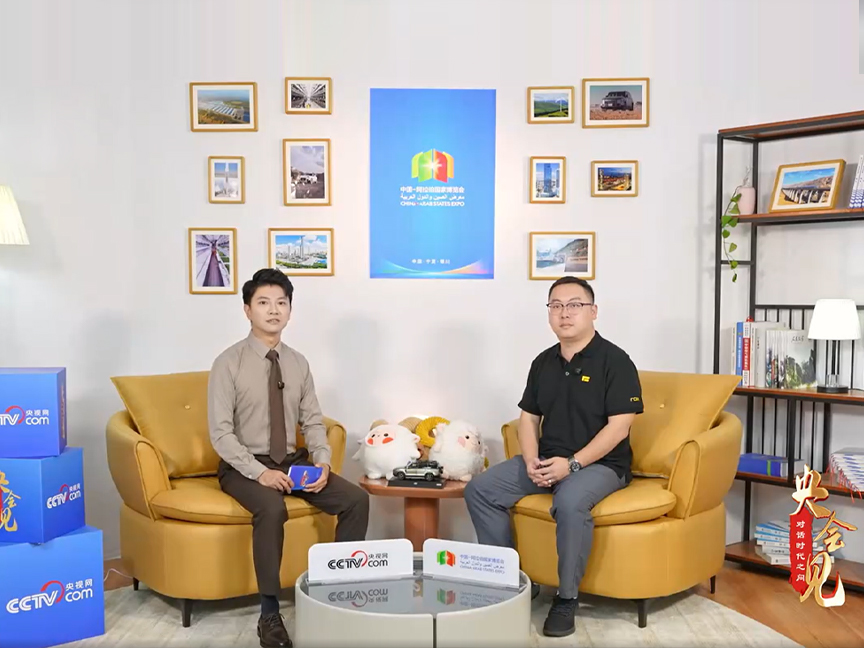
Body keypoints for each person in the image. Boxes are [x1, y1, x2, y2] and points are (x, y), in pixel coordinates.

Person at [464, 277, 643, 638]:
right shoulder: (543, 362)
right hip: (547, 460)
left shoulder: (616, 361)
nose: (565, 313)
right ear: (549, 314)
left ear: (593, 311)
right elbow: (529, 418)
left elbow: (619, 428)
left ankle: (566, 598)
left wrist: (572, 464)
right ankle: (510, 583)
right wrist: (531, 460)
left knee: (570, 500)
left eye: (575, 305)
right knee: (480, 490)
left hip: (600, 465)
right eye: (556, 306)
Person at [208, 268, 369, 648]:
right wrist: (259, 473)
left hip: (290, 461)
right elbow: (221, 434)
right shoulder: (227, 363)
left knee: (356, 499)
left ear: (290, 310)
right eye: (263, 302)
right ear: (247, 310)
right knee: (272, 508)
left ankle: (336, 595)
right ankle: (269, 614)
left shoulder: (298, 363)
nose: (273, 310)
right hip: (243, 465)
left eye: (281, 303)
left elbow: (313, 421)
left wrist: (323, 463)